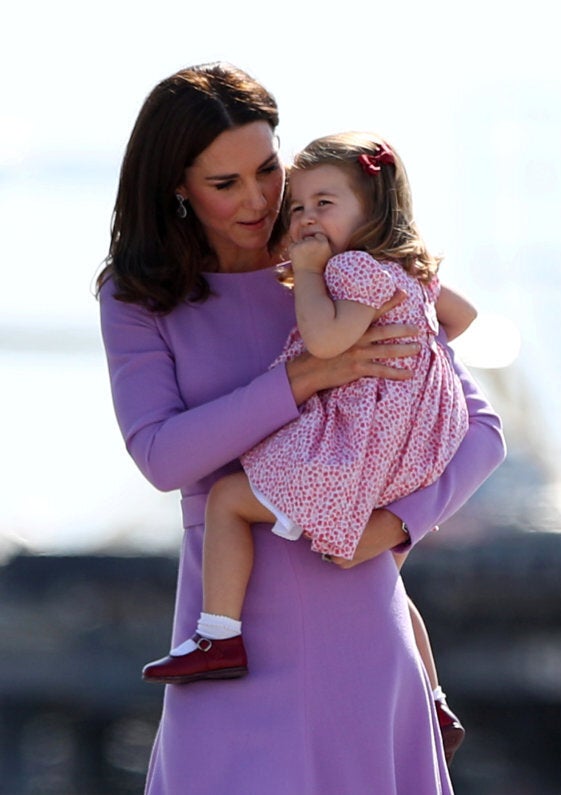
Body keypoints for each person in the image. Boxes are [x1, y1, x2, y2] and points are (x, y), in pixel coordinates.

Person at [97, 62, 506, 795]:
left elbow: (479, 427)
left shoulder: (350, 270)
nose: (258, 200)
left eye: (267, 170)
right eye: (226, 185)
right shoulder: (137, 297)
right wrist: (300, 379)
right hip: (224, 643)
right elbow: (162, 455)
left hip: (361, 620)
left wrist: (401, 523)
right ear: (177, 189)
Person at [142, 132, 476, 706]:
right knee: (385, 585)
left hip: (353, 455)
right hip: (409, 452)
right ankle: (434, 699)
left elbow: (323, 342)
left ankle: (217, 635)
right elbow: (464, 317)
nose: (305, 219)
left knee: (227, 500)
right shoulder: (410, 273)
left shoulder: (352, 272)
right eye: (296, 207)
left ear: (372, 209)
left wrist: (311, 272)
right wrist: (419, 348)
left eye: (325, 203)